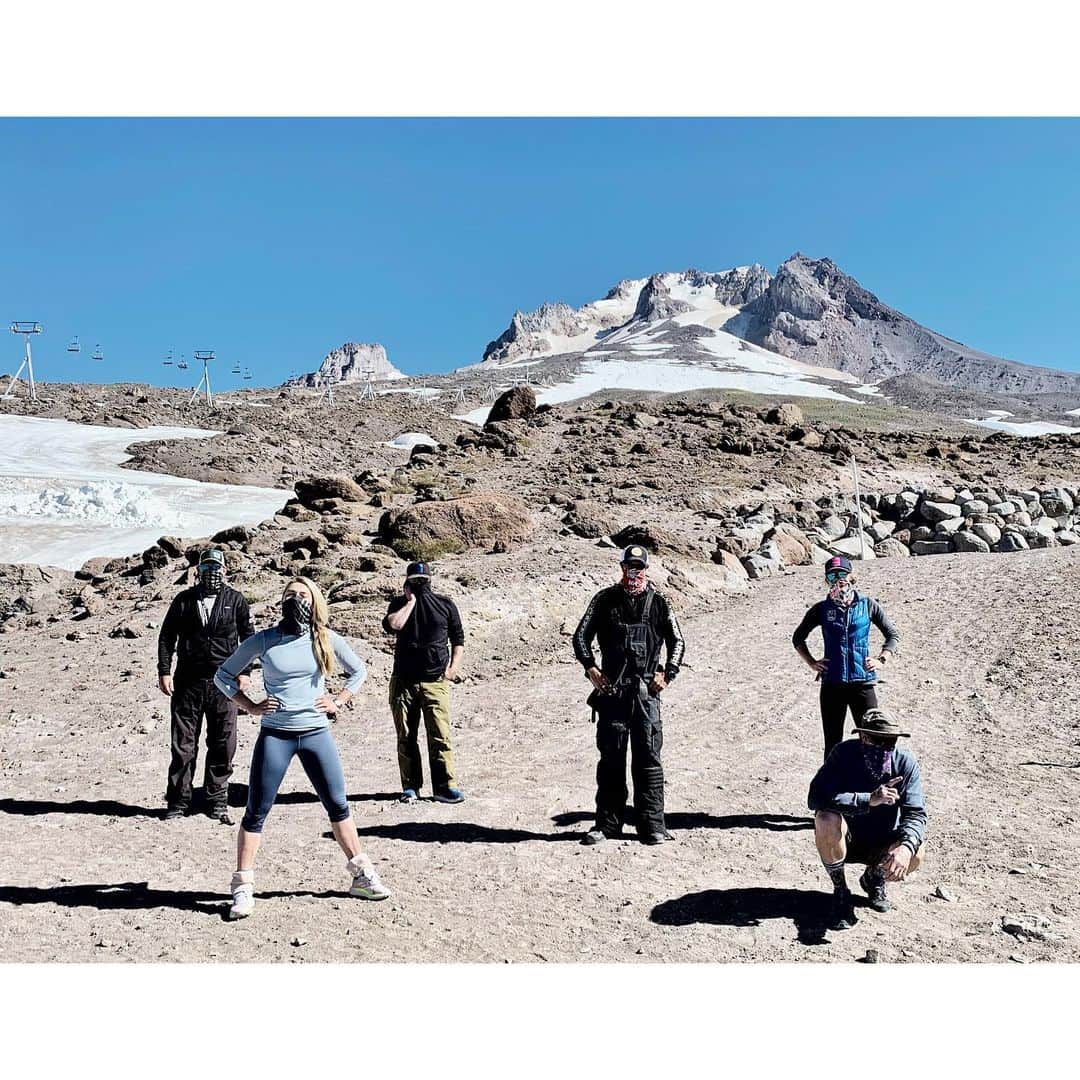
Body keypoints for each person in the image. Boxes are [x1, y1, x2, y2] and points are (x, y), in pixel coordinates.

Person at [214, 576, 390, 919]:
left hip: (316, 733)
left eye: (303, 595)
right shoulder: (265, 641)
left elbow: (358, 671)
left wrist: (338, 700)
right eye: (290, 594)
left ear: (315, 602)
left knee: (338, 804)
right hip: (276, 735)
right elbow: (223, 675)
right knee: (256, 811)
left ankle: (362, 876)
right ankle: (243, 887)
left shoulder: (325, 638)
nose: (296, 600)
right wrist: (250, 706)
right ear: (282, 601)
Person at [572, 544, 685, 846]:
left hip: (647, 694)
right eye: (629, 567)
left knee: (649, 759)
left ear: (646, 570)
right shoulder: (604, 600)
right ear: (622, 568)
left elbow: (678, 642)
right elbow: (580, 637)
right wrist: (591, 670)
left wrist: (667, 674)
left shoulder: (660, 601)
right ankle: (606, 827)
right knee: (611, 760)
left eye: (640, 568)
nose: (634, 573)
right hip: (612, 695)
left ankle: (653, 828)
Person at [157, 547, 254, 824]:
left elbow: (249, 638)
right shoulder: (184, 600)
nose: (212, 572)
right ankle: (178, 802)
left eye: (217, 567)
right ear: (198, 571)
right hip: (188, 683)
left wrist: (245, 671)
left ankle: (217, 802)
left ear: (225, 570)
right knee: (183, 746)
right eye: (207, 567)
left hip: (224, 684)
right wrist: (165, 671)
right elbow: (167, 637)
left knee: (223, 743)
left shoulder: (235, 600)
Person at [808, 707, 927, 930]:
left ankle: (874, 878)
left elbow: (916, 813)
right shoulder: (843, 754)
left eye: (890, 742)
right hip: (846, 839)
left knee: (917, 852)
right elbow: (816, 797)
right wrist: (867, 799)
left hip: (884, 841)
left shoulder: (905, 763)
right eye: (878, 740)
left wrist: (906, 847)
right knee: (824, 819)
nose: (884, 748)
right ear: (863, 736)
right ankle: (841, 890)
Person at [792, 554, 900, 759]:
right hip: (832, 683)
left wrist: (881, 659)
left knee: (873, 737)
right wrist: (812, 663)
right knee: (832, 743)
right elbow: (798, 638)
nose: (838, 580)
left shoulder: (867, 605)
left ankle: (871, 786)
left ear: (852, 576)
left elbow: (893, 635)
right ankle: (832, 789)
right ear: (827, 580)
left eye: (842, 574)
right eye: (832, 576)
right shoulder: (822, 609)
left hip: (863, 683)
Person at [382, 561, 466, 804]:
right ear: (406, 582)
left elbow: (458, 637)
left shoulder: (445, 604)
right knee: (406, 736)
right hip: (403, 681)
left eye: (422, 581)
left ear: (430, 580)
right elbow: (394, 625)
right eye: (414, 581)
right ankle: (410, 786)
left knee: (440, 735)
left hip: (434, 682)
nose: (419, 585)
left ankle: (444, 786)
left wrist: (453, 668)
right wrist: (410, 602)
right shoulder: (399, 605)